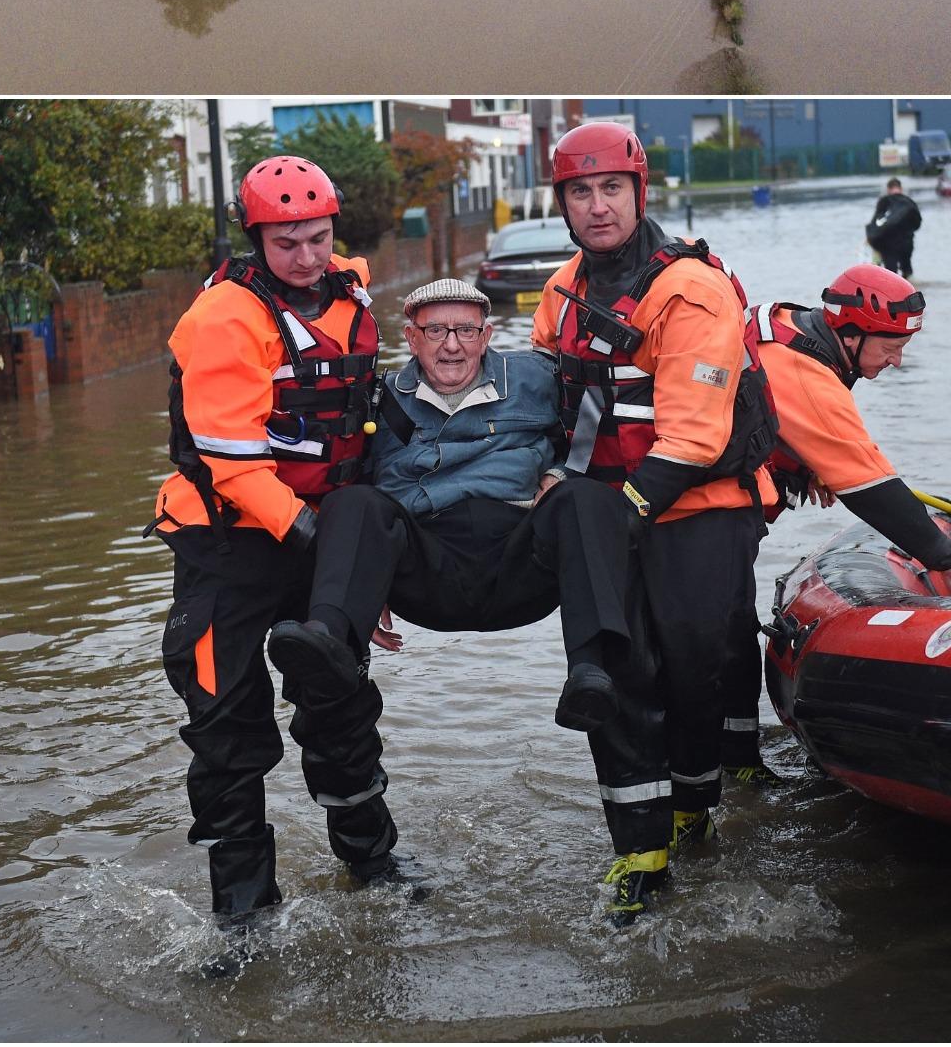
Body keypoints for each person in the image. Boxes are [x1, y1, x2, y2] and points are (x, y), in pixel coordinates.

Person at [262, 279, 662, 917]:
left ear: (488, 333)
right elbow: (352, 496)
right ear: (410, 336)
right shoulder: (377, 397)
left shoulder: (538, 379)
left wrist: (565, 473)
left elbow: (610, 421)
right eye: (435, 332)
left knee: (588, 500)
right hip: (430, 568)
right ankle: (329, 641)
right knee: (351, 503)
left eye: (467, 330)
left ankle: (590, 668)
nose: (452, 346)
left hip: (519, 562)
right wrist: (362, 581)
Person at [531, 120, 778, 921]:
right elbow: (544, 408)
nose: (597, 207)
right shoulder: (561, 289)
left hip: (698, 508)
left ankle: (694, 806)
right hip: (605, 513)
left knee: (692, 666)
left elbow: (698, 436)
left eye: (611, 189)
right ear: (561, 202)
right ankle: (639, 851)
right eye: (580, 191)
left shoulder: (690, 289)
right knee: (617, 672)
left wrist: (622, 514)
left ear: (640, 193)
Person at [150, 154, 393, 933]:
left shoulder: (351, 298)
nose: (307, 257)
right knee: (226, 727)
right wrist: (327, 546)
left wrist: (365, 566)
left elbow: (365, 433)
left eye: (318, 238)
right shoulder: (227, 317)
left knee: (342, 705)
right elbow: (235, 467)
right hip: (229, 545)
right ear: (257, 238)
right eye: (287, 242)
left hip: (317, 537)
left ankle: (372, 862)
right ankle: (243, 913)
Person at [712, 264, 951, 785]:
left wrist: (805, 460)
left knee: (730, 630)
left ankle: (735, 763)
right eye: (890, 347)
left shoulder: (786, 327)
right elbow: (872, 488)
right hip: (706, 515)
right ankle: (731, 768)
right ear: (850, 332)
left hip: (709, 507)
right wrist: (946, 561)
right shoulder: (807, 372)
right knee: (724, 635)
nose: (896, 361)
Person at [864, 179, 921, 278]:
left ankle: (892, 292)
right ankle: (911, 290)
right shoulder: (909, 203)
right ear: (901, 188)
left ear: (888, 189)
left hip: (888, 245)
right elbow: (917, 223)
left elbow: (877, 222)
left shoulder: (884, 201)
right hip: (906, 244)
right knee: (907, 270)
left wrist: (871, 237)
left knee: (891, 275)